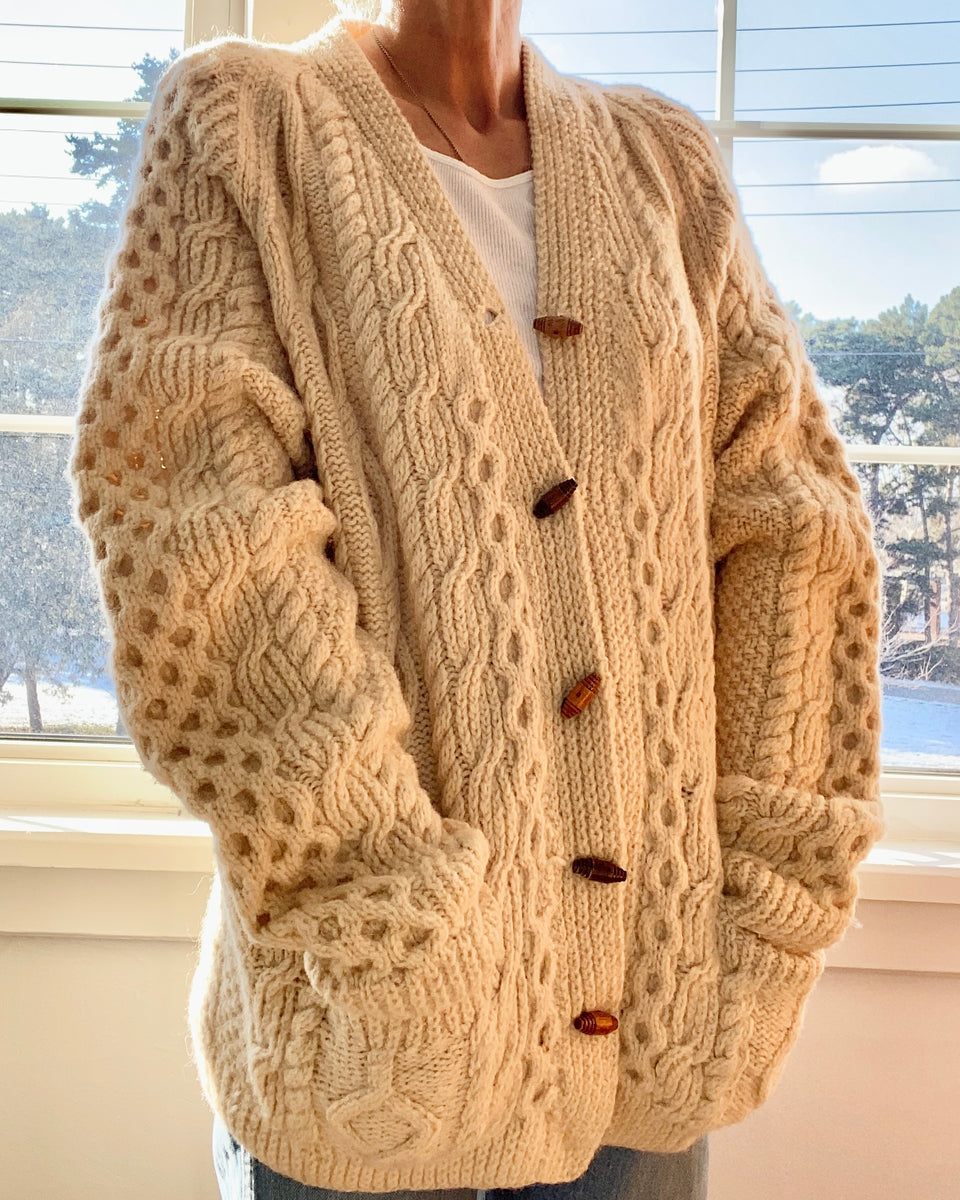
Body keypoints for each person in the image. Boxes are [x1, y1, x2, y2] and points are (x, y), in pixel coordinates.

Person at [67, 0, 886, 1197]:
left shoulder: (665, 162)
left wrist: (765, 910)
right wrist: (393, 928)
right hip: (374, 1046)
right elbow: (195, 547)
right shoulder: (248, 123)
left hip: (651, 1051)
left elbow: (796, 535)